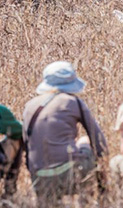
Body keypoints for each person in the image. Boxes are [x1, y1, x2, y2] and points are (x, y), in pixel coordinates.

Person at [22, 61, 107, 199]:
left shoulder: (29, 106)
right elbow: (100, 142)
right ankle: (99, 198)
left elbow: (27, 145)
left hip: (38, 177)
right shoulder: (73, 102)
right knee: (85, 140)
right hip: (69, 174)